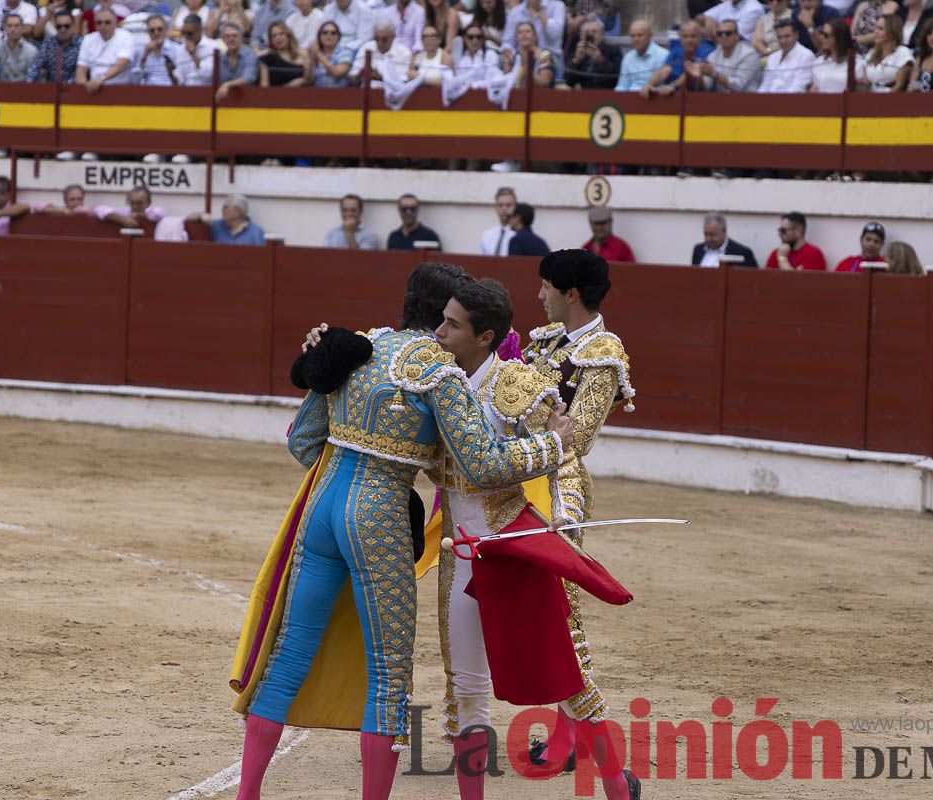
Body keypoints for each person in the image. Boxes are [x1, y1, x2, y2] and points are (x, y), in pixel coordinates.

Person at [230, 262, 573, 800]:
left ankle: (246, 793)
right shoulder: (439, 370)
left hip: (322, 509)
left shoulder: (356, 349)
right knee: (389, 675)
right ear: (442, 315)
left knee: (289, 654)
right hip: (379, 517)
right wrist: (552, 446)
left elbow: (301, 441)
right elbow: (480, 464)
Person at [428, 278, 601, 800]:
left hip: (515, 548)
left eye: (452, 324)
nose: (439, 331)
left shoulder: (518, 387)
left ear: (484, 336)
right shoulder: (439, 381)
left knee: (566, 678)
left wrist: (563, 521)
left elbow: (565, 453)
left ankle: (617, 786)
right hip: (460, 555)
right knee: (465, 689)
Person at [520, 249, 640, 800]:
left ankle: (581, 735)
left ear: (570, 294)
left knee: (559, 609)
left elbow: (581, 434)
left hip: (563, 490)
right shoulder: (545, 341)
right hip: (519, 476)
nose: (539, 294)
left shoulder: (604, 350)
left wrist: (533, 410)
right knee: (541, 607)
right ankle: (570, 735)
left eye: (546, 286)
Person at [641, 19, 712, 97]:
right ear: (680, 39)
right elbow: (665, 70)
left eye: (693, 36)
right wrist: (649, 84)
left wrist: (673, 86)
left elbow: (691, 72)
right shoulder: (676, 51)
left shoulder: (707, 51)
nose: (689, 40)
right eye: (685, 36)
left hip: (701, 97)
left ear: (699, 38)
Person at [76, 8, 134, 94]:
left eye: (107, 22)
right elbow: (81, 68)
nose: (103, 25)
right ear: (95, 25)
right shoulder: (88, 39)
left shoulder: (126, 36)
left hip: (121, 89)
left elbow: (121, 65)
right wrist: (84, 87)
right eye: (99, 22)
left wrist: (100, 79)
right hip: (94, 90)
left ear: (116, 23)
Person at [693, 18, 760, 91]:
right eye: (719, 34)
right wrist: (699, 76)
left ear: (737, 36)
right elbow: (706, 87)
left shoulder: (750, 54)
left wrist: (714, 74)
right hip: (721, 100)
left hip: (748, 99)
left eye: (728, 33)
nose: (723, 36)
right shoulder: (712, 56)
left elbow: (739, 86)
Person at [758, 18, 815, 93]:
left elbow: (799, 88)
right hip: (768, 101)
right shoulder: (773, 57)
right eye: (779, 37)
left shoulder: (806, 55)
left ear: (796, 35)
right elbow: (765, 85)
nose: (783, 41)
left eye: (787, 36)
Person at [349, 18, 412, 85]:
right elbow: (352, 78)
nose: (380, 43)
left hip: (394, 94)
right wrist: (361, 73)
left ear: (393, 37)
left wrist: (382, 78)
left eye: (384, 39)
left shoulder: (404, 52)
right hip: (367, 93)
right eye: (376, 39)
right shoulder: (366, 48)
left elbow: (405, 80)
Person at [187, 193, 267, 245]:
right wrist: (201, 215)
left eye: (225, 208)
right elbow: (189, 218)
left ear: (237, 212)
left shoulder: (256, 233)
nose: (222, 210)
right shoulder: (217, 226)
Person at [565, 17, 621, 89]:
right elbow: (569, 82)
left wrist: (601, 61)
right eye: (587, 32)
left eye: (594, 31)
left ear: (602, 35)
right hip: (584, 94)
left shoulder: (613, 50)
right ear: (581, 36)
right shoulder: (577, 50)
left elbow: (617, 78)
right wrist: (576, 60)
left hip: (607, 93)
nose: (590, 34)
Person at [861, 14, 913, 92]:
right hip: (871, 98)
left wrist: (881, 102)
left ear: (892, 33)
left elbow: (899, 86)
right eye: (876, 28)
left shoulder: (903, 52)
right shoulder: (871, 53)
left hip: (893, 99)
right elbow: (866, 82)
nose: (876, 32)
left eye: (880, 29)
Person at [26, 10, 81, 83]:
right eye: (59, 26)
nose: (63, 29)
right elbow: (36, 65)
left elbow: (83, 71)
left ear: (73, 26)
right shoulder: (49, 42)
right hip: (50, 89)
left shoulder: (81, 44)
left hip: (74, 88)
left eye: (67, 26)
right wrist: (28, 83)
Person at [615, 18, 667, 92]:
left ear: (650, 36)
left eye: (639, 35)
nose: (636, 39)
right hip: (630, 99)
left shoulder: (663, 55)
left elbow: (665, 86)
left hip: (653, 98)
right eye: (633, 36)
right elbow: (622, 86)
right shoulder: (628, 58)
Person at [692, 211, 758, 267]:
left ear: (724, 230)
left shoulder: (741, 253)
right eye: (706, 234)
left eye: (712, 235)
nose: (708, 239)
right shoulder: (698, 250)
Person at [811, 18, 859, 92]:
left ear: (838, 38)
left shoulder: (857, 62)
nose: (821, 37)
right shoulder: (818, 62)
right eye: (821, 33)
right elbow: (814, 89)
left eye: (826, 35)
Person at [133, 15, 182, 86]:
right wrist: (144, 57)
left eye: (160, 29)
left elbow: (181, 81)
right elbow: (135, 81)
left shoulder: (177, 49)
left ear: (166, 30)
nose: (156, 33)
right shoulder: (141, 51)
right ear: (148, 32)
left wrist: (170, 72)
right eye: (152, 30)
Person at [215, 22, 259, 101]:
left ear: (241, 38)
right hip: (226, 101)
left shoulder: (249, 54)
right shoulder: (221, 58)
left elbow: (248, 78)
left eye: (234, 36)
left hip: (249, 99)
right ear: (223, 39)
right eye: (227, 36)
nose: (231, 39)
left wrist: (227, 85)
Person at [259, 20, 308, 86]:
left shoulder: (303, 54)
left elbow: (310, 80)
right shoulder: (267, 59)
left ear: (288, 35)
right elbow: (264, 89)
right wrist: (289, 86)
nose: (278, 38)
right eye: (274, 36)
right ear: (271, 40)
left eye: (281, 34)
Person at [306, 20, 353, 86]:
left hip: (339, 94)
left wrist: (318, 54)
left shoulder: (346, 52)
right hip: (316, 93)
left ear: (339, 37)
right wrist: (312, 59)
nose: (329, 35)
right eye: (325, 32)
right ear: (319, 36)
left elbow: (336, 73)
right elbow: (308, 81)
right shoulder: (315, 52)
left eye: (333, 33)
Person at [174, 14, 216, 87]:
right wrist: (170, 74)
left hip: (205, 89)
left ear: (200, 30)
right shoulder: (181, 49)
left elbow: (209, 75)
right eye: (184, 33)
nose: (186, 36)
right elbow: (179, 78)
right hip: (185, 90)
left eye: (189, 33)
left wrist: (193, 54)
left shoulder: (212, 47)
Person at [96, 185, 166, 228]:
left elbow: (159, 214)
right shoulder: (126, 212)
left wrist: (141, 215)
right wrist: (122, 219)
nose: (135, 206)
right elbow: (99, 209)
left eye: (139, 203)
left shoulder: (155, 211)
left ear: (148, 203)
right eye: (132, 203)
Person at [511, 20, 556, 87]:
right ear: (516, 38)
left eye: (528, 31)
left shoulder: (544, 56)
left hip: (539, 96)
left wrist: (526, 67)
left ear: (535, 36)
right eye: (520, 32)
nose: (524, 34)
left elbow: (544, 82)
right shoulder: (515, 56)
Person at [479, 187, 516, 256]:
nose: (504, 209)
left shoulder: (519, 235)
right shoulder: (487, 235)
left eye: (508, 205)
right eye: (500, 205)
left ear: (515, 207)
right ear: (495, 207)